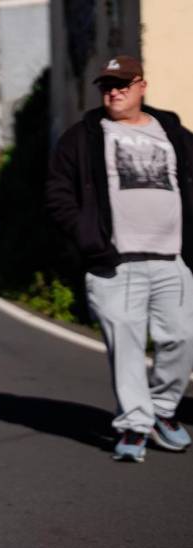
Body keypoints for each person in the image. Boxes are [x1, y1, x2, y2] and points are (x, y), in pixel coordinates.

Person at [47, 55, 193, 462]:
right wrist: (88, 239)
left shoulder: (174, 131)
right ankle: (133, 423)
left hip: (172, 259)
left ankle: (162, 411)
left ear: (142, 86)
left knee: (182, 338)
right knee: (126, 346)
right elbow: (58, 194)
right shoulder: (83, 136)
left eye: (123, 84)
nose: (114, 91)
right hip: (114, 262)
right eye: (107, 85)